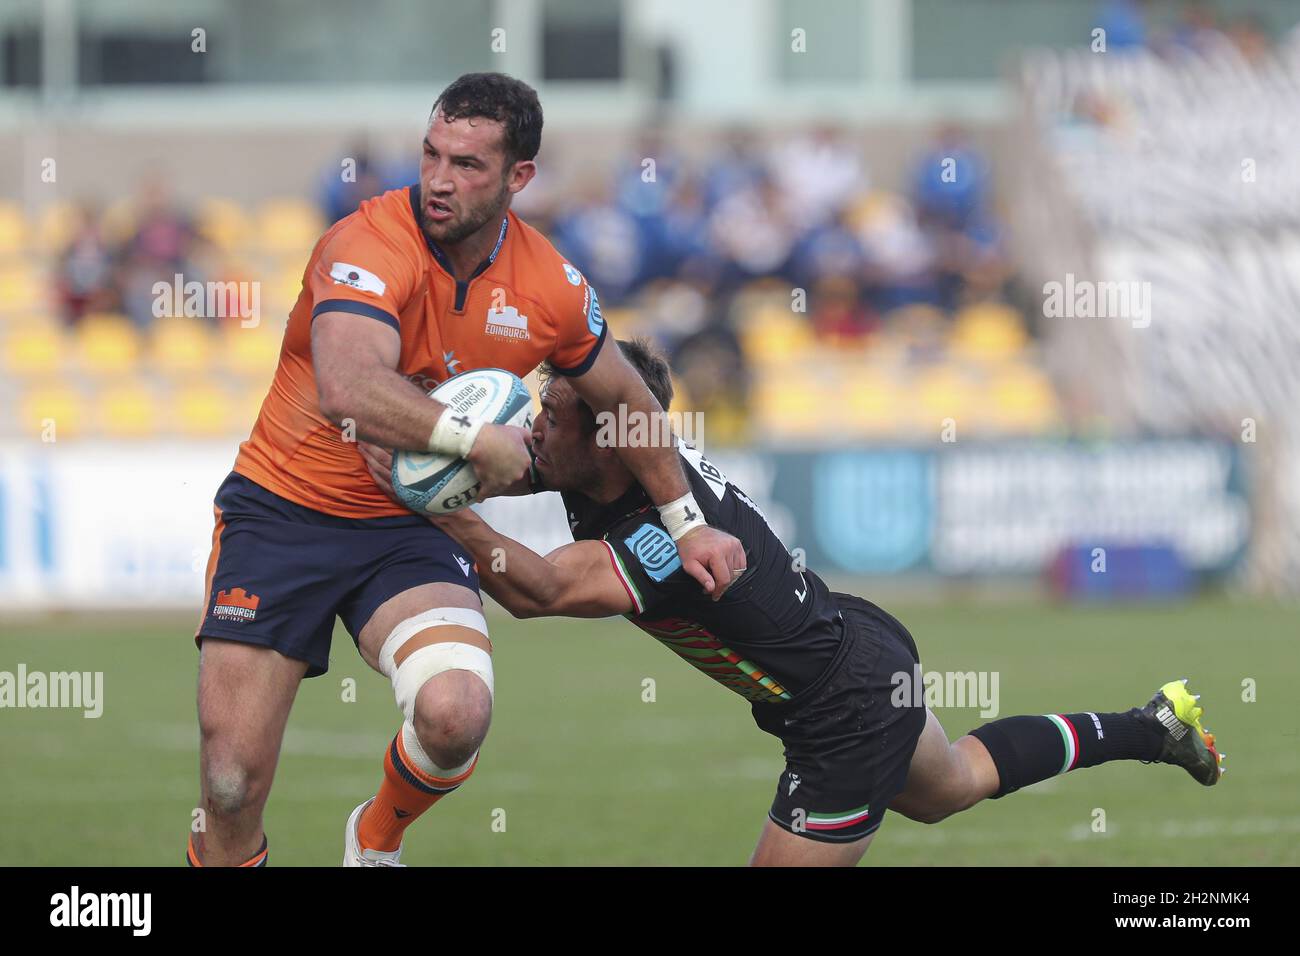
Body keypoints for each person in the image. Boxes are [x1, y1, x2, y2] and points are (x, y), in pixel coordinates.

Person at [360, 338, 1223, 866]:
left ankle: (1150, 729)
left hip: (842, 709)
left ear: (615, 441)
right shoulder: (607, 458)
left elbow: (537, 591)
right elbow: (505, 459)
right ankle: (1153, 727)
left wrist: (440, 508)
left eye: (552, 413)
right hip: (851, 649)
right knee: (950, 784)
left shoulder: (666, 541)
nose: (535, 426)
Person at [189, 74, 744, 868]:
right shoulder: (365, 244)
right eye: (431, 155)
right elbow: (348, 385)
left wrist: (687, 524)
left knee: (455, 715)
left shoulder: (550, 284)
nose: (440, 180)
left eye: (469, 165)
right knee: (232, 785)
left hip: (408, 525)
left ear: (520, 176)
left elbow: (626, 399)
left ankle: (373, 843)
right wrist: (471, 440)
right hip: (284, 513)